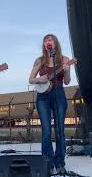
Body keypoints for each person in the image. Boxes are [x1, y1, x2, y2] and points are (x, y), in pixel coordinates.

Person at [28, 34, 71, 174]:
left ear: (55, 43)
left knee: (60, 130)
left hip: (58, 93)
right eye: (46, 40)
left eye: (50, 39)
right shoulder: (39, 60)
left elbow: (67, 81)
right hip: (43, 97)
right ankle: (48, 163)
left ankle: (60, 163)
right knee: (46, 131)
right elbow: (30, 79)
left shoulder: (64, 59)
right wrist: (39, 79)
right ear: (44, 45)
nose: (48, 42)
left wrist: (67, 71)